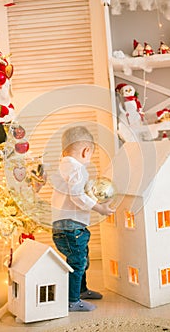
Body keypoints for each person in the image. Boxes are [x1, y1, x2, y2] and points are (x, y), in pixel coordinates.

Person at [51, 126, 115, 312]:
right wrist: (100, 208)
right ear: (86, 151)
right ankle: (72, 300)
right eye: (90, 156)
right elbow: (77, 196)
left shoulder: (63, 166)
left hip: (63, 226)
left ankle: (81, 290)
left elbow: (75, 192)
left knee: (81, 259)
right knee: (78, 262)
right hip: (72, 227)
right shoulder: (77, 169)